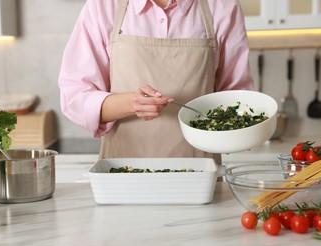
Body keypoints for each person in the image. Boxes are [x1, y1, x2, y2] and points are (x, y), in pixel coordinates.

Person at [58, 0, 254, 162]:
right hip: (121, 173)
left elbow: (236, 98)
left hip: (199, 174)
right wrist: (130, 103)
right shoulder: (103, 6)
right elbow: (75, 95)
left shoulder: (222, 7)